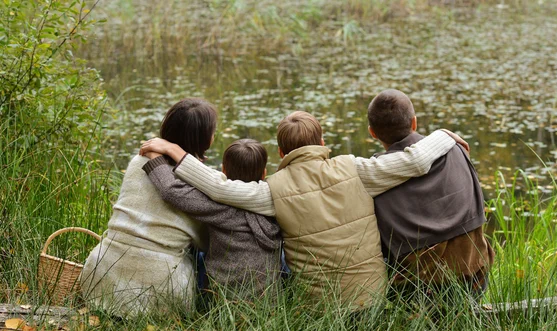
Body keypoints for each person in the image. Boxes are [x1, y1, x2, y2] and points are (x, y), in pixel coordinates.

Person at [139, 111, 465, 309]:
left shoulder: (273, 191)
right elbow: (415, 161)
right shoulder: (357, 170)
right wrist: (441, 136)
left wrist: (172, 150)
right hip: (372, 302)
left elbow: (219, 187)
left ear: (280, 152)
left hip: (318, 309)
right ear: (322, 142)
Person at [80, 98, 215, 317]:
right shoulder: (199, 183)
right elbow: (205, 242)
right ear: (206, 139)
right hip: (161, 292)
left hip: (100, 277)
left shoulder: (138, 161)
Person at [367, 89, 494, 298]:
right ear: (414, 122)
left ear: (372, 132)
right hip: (474, 280)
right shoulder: (457, 149)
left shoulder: (375, 178)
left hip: (416, 293)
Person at [142, 139, 282, 300]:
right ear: (264, 173)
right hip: (269, 302)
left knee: (195, 252)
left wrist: (155, 158)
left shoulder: (217, 206)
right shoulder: (275, 200)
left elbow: (171, 191)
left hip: (223, 300)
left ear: (223, 170)